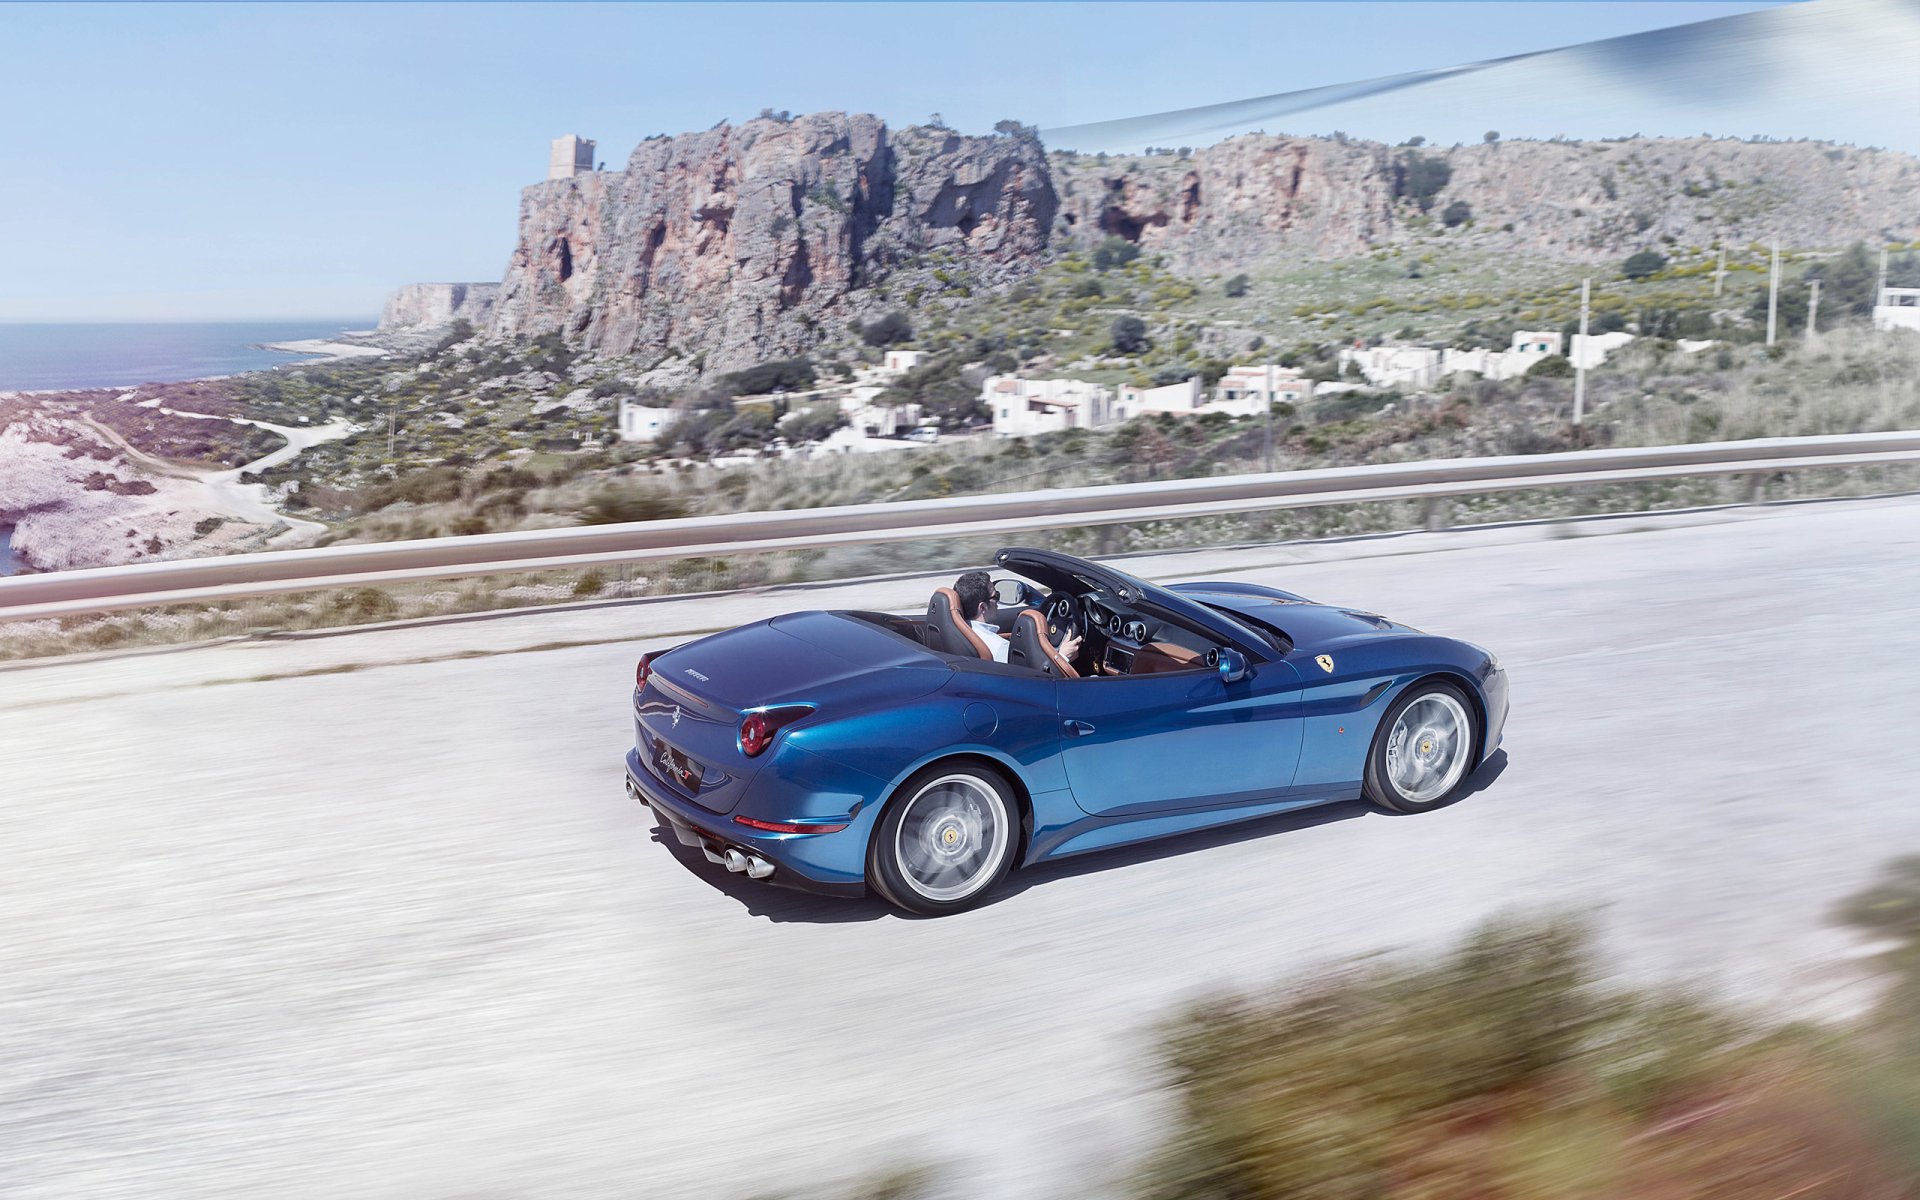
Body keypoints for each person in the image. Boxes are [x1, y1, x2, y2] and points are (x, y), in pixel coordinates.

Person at [954, 570, 1082, 666]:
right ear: (982, 608)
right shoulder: (999, 648)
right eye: (996, 596)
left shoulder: (958, 629)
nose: (998, 601)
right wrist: (1063, 656)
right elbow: (1035, 681)